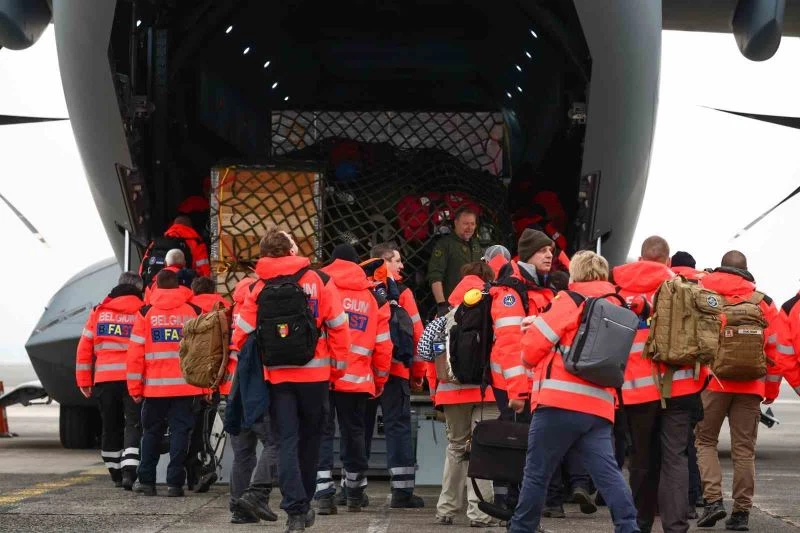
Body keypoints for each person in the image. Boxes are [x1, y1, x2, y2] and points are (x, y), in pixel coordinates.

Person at [509, 250, 639, 533]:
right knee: (608, 475)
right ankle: (628, 527)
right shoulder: (619, 306)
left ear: (575, 274)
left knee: (536, 473)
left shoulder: (570, 299)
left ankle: (521, 528)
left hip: (558, 403)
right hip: (600, 407)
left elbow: (532, 350)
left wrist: (530, 330)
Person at [231, 227, 351, 532]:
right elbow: (338, 326)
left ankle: (295, 511)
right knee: (311, 442)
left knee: (286, 441)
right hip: (316, 376)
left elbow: (240, 335)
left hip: (278, 377)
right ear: (291, 251)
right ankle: (304, 504)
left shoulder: (258, 287)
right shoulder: (320, 281)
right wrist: (336, 368)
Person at [613, 236, 704, 533]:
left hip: (637, 391)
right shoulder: (684, 289)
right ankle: (675, 526)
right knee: (675, 457)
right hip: (680, 389)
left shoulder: (619, 292)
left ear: (640, 259)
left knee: (641, 459)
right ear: (667, 261)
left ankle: (640, 523)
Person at [695, 251, 781, 531]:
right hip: (751, 385)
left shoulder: (703, 294)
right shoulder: (764, 302)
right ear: (746, 271)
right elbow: (775, 349)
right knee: (744, 450)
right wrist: (770, 388)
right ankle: (741, 513)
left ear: (720, 267)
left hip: (712, 382)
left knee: (705, 441)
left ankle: (712, 501)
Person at [314, 244, 392, 514]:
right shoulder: (374, 297)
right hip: (357, 378)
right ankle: (355, 491)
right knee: (354, 432)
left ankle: (323, 492)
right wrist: (379, 380)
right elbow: (383, 347)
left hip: (321, 375)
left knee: (321, 431)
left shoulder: (319, 286)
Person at [429, 261, 502, 528]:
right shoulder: (493, 309)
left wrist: (436, 391)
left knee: (455, 448)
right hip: (486, 391)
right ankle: (481, 514)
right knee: (482, 450)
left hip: (451, 391)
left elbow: (430, 356)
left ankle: (446, 509)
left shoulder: (445, 313)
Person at [126, 269, 206, 497]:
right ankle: (175, 484)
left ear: (156, 288)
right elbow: (205, 353)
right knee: (181, 433)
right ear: (179, 286)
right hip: (186, 387)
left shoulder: (146, 313)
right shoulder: (194, 312)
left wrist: (134, 388)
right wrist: (206, 387)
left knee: (150, 434)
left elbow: (135, 355)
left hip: (154, 389)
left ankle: (148, 482)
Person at [360, 245, 426, 508]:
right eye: (397, 260)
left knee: (359, 429)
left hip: (364, 374)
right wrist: (418, 375)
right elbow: (417, 334)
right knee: (398, 428)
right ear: (383, 261)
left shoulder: (359, 290)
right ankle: (402, 492)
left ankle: (352, 489)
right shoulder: (404, 294)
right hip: (396, 372)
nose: (402, 266)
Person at [75, 271, 144, 489]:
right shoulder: (142, 311)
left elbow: (84, 348)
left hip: (104, 379)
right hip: (132, 379)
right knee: (133, 423)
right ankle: (129, 471)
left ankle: (114, 471)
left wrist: (84, 380)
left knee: (110, 425)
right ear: (139, 288)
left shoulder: (99, 312)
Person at [223, 275, 278, 525]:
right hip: (258, 384)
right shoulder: (264, 302)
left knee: (243, 453)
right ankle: (255, 496)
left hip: (235, 387)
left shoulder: (234, 307)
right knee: (275, 442)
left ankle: (238, 507)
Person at [428, 206, 483, 314]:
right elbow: (435, 276)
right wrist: (442, 305)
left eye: (472, 224)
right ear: (456, 223)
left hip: (477, 304)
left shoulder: (476, 244)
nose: (470, 227)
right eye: (465, 223)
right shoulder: (444, 245)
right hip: (454, 306)